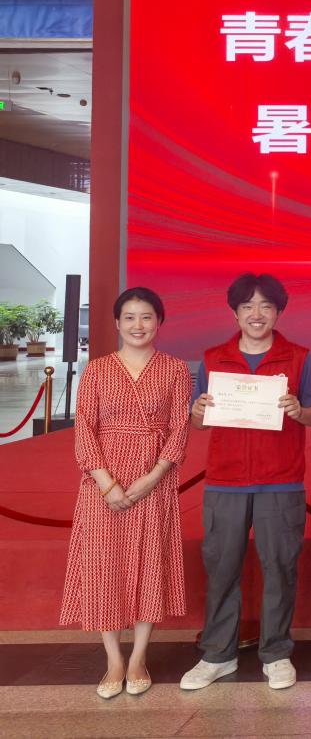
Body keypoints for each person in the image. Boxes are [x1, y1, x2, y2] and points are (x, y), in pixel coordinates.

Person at [180, 273, 311, 692]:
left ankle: (276, 653)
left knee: (280, 567)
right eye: (248, 307)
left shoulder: (299, 357)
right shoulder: (213, 358)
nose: (256, 314)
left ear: (278, 312)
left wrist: (299, 411)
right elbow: (199, 421)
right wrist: (198, 411)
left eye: (265, 307)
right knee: (221, 567)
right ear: (235, 312)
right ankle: (217, 654)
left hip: (281, 481)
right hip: (226, 480)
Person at [59, 288, 193, 699]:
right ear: (117, 323)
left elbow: (179, 428)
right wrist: (108, 484)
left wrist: (151, 478)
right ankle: (114, 659)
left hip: (155, 479)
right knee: (105, 564)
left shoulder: (175, 369)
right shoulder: (97, 370)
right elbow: (84, 429)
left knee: (149, 561)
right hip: (103, 483)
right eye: (130, 317)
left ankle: (138, 657)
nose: (138, 325)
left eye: (147, 316)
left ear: (159, 322)